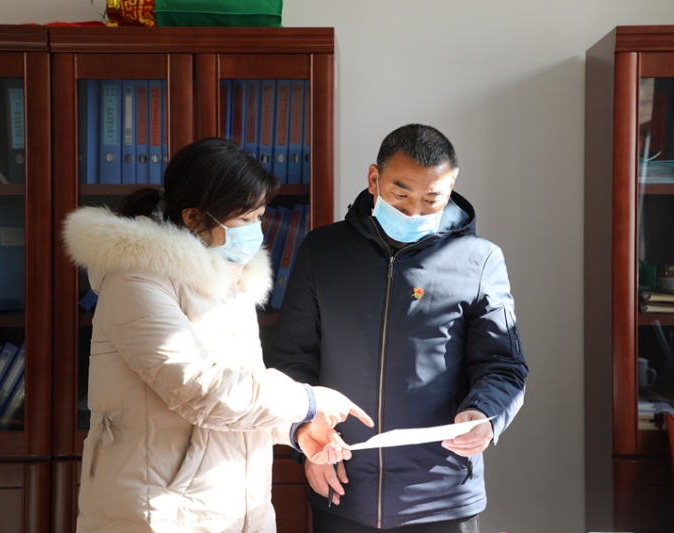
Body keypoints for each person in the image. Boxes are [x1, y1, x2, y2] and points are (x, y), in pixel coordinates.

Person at [63, 137, 373, 533]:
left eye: (259, 217)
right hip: (160, 514)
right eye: (244, 220)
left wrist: (295, 428)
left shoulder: (229, 281)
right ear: (193, 217)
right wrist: (307, 401)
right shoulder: (136, 279)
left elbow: (243, 393)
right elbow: (201, 391)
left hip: (235, 510)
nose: (256, 232)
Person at [265, 124, 528, 532]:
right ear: (374, 179)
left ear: (450, 188)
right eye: (401, 195)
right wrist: (303, 438)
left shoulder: (479, 261)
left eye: (431, 199)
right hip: (342, 485)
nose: (414, 213)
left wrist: (485, 414)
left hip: (443, 496)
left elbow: (504, 365)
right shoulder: (322, 251)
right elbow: (290, 360)